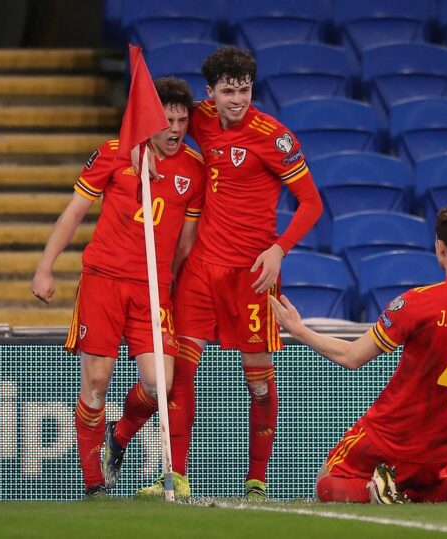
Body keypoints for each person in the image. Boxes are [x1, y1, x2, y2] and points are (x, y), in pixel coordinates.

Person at [269, 204, 447, 504]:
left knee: (326, 482)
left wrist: (299, 330)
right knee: (415, 490)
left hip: (387, 437)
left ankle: (374, 488)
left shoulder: (418, 303)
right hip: (440, 451)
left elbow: (352, 357)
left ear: (440, 247)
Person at [134, 46, 323, 501]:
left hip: (252, 274)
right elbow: (155, 120)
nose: (237, 99)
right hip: (201, 270)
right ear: (211, 93)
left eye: (244, 90)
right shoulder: (196, 118)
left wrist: (279, 250)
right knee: (180, 372)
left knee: (258, 382)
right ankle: (176, 476)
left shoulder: (274, 137)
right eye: (228, 91)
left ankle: (256, 479)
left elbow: (312, 203)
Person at [31, 77, 206, 498]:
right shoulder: (114, 154)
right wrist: (45, 268)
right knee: (96, 382)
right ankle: (94, 484)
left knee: (158, 385)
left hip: (152, 290)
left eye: (183, 120)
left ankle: (119, 434)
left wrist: (167, 282)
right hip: (104, 282)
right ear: (150, 118)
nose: (176, 128)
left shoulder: (194, 170)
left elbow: (185, 243)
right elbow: (74, 213)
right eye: (167, 119)